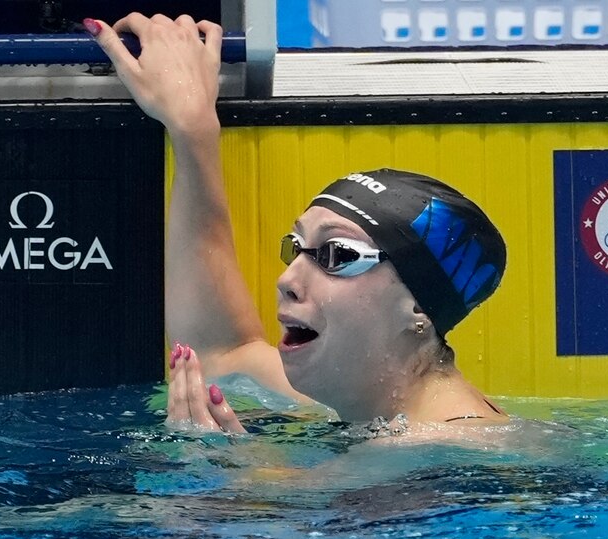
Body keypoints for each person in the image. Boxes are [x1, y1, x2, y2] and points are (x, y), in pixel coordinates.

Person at [84, 14, 509, 436]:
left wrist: (220, 483)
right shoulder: (372, 400)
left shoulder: (442, 445)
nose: (286, 279)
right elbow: (222, 354)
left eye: (337, 256)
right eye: (296, 246)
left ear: (419, 307)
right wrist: (191, 129)